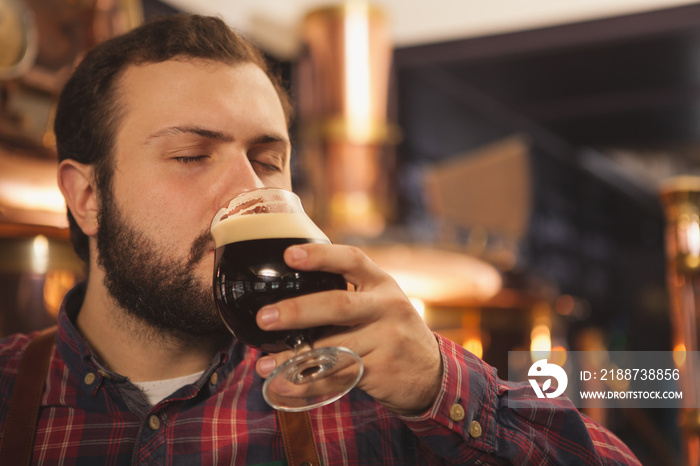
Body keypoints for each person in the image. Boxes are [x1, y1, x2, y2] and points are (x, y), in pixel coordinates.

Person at [0, 13, 641, 465]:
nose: (243, 187)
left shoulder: (374, 399)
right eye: (192, 155)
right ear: (87, 197)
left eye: (267, 158)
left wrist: (441, 386)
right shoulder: (10, 390)